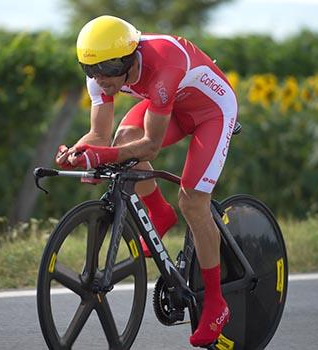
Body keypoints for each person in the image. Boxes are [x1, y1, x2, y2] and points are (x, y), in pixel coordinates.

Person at [55, 15, 237, 347]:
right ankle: (158, 212)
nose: (99, 79)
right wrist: (80, 151)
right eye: (90, 70)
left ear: (127, 58)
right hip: (170, 105)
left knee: (193, 201)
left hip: (212, 111)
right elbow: (100, 134)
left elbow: (150, 146)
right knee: (124, 136)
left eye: (109, 70)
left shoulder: (162, 65)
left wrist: (102, 155)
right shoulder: (100, 73)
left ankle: (215, 302)